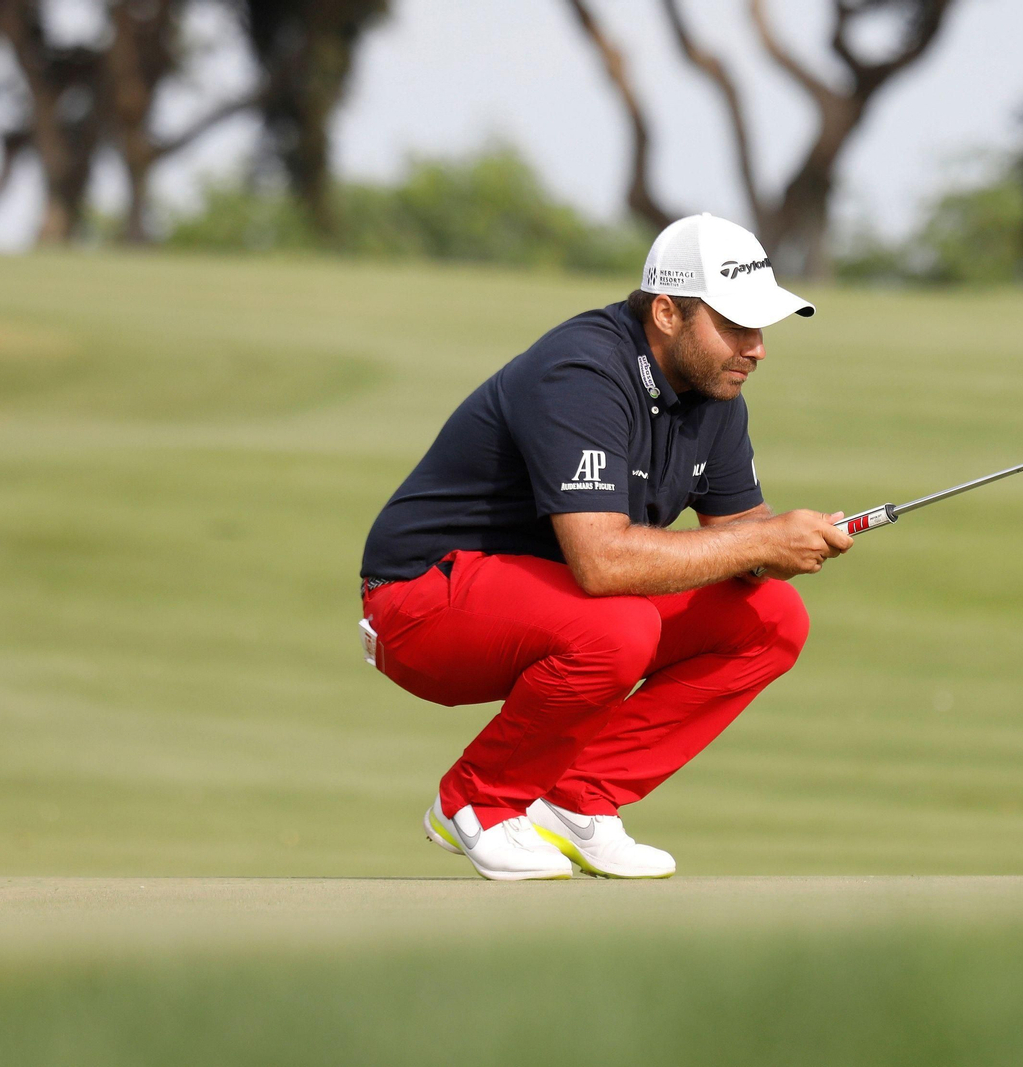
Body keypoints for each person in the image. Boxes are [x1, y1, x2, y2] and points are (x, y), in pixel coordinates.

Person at [358, 214, 853, 881]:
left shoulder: (715, 394)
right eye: (736, 324)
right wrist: (762, 539)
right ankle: (476, 801)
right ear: (667, 313)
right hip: (420, 602)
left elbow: (743, 539)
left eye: (761, 327)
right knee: (618, 624)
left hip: (552, 601)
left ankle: (577, 797)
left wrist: (792, 541)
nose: (757, 347)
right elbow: (603, 563)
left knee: (770, 617)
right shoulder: (582, 369)